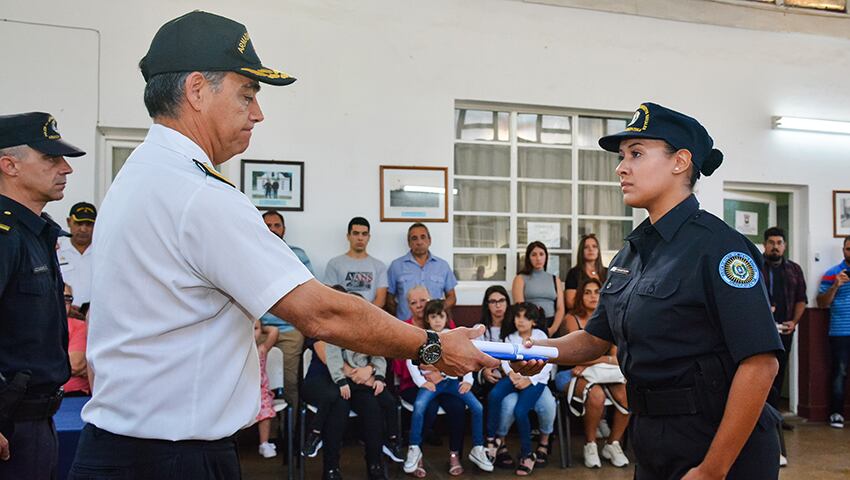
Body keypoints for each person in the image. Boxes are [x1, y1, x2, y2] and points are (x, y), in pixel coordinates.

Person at [70, 12, 498, 479]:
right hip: (169, 458)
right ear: (196, 90)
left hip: (127, 446)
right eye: (247, 95)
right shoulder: (197, 194)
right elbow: (322, 313)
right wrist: (433, 347)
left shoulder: (139, 175)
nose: (257, 113)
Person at [530, 102, 784, 480]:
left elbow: (761, 364)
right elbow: (596, 339)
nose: (621, 167)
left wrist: (713, 469)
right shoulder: (631, 252)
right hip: (651, 436)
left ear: (680, 162)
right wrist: (537, 351)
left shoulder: (720, 249)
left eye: (636, 154)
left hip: (717, 442)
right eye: (621, 156)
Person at [0, 111, 85, 479]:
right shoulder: (5, 235)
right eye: (51, 158)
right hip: (10, 424)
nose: (66, 168)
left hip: (40, 418)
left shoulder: (38, 233)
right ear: (9, 165)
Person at [403, 300, 493, 477]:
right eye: (433, 316)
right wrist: (422, 382)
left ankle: (478, 448)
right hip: (432, 384)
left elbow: (467, 358)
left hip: (452, 383)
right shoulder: (424, 336)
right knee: (420, 406)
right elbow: (410, 360)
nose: (437, 320)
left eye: (441, 316)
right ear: (428, 319)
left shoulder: (452, 335)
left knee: (477, 407)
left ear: (446, 318)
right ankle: (413, 449)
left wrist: (468, 380)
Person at [475, 286, 557, 469]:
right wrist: (512, 375)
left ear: (534, 322)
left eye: (525, 318)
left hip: (534, 381)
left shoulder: (540, 336)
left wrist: (529, 380)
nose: (520, 321)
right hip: (513, 378)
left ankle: (527, 454)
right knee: (495, 395)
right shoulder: (510, 336)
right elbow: (505, 359)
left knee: (521, 411)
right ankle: (491, 439)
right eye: (518, 317)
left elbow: (547, 363)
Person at [392, 286, 470, 475]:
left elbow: (458, 357)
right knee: (429, 408)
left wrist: (441, 372)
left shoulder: (445, 327)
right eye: (413, 302)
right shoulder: (403, 328)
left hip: (444, 382)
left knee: (458, 407)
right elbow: (399, 366)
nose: (419, 305)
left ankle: (455, 454)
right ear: (407, 306)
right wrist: (430, 370)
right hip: (414, 384)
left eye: (423, 301)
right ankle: (416, 455)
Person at [562, 278, 630, 469]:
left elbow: (616, 358)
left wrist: (597, 361)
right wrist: (601, 359)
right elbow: (574, 357)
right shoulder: (571, 318)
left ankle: (612, 444)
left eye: (596, 292)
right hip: (570, 372)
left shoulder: (611, 317)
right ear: (580, 296)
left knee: (627, 393)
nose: (593, 296)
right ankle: (590, 445)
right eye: (587, 292)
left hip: (603, 373)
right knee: (596, 395)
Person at [759, 226, 807, 457]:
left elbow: (801, 299)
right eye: (771, 242)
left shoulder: (794, 270)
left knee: (780, 373)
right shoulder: (755, 266)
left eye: (779, 242)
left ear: (784, 245)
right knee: (760, 373)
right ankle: (759, 417)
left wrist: (795, 322)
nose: (775, 246)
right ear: (764, 244)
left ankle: (775, 417)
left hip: (785, 331)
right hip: (760, 330)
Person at [260, 208, 313, 409]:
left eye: (276, 225)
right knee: (254, 382)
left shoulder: (297, 255)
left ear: (284, 229)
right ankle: (265, 437)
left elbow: (309, 291)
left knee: (290, 382)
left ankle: (288, 437)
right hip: (260, 328)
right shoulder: (250, 255)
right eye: (267, 226)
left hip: (290, 329)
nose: (272, 229)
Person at [387, 223, 458, 320]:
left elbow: (452, 297)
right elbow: (389, 299)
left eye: (423, 237)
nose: (419, 242)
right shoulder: (396, 266)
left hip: (434, 326)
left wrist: (436, 310)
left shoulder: (442, 265)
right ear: (409, 243)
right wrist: (403, 318)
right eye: (414, 238)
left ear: (430, 240)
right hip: (406, 326)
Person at [816, 236, 850, 429]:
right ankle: (836, 413)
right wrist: (836, 285)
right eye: (848, 249)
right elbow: (821, 303)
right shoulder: (832, 274)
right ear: (843, 250)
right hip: (839, 331)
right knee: (839, 372)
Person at [324, 217, 388, 307]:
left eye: (364, 234)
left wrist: (365, 315)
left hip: (370, 317)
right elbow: (330, 296)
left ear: (369, 237)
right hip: (343, 316)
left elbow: (380, 300)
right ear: (348, 236)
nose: (360, 238)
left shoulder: (379, 266)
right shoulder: (334, 264)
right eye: (356, 233)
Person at [512, 241, 565, 336]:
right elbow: (519, 307)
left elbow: (560, 308)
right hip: (530, 324)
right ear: (528, 258)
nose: (538, 258)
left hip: (551, 323)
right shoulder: (520, 278)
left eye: (541, 254)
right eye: (534, 255)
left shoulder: (554, 279)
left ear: (546, 257)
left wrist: (553, 329)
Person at [57, 202, 97, 315]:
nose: (83, 229)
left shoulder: (102, 252)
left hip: (94, 317)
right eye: (79, 223)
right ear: (69, 222)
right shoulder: (56, 250)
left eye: (89, 224)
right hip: (63, 316)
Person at [253, 318, 279, 458]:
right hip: (243, 390)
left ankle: (264, 443)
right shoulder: (237, 349)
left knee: (266, 406)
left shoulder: (262, 348)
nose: (253, 332)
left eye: (256, 329)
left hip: (260, 389)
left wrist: (262, 328)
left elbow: (274, 330)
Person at [565, 234, 608, 311]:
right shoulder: (573, 273)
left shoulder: (608, 273)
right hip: (582, 315)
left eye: (594, 246)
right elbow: (570, 302)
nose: (591, 249)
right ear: (581, 251)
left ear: (598, 250)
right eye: (586, 247)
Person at [63, 283, 91, 397]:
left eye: (67, 298)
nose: (63, 301)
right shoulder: (31, 325)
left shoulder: (79, 326)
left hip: (73, 397)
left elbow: (75, 364)